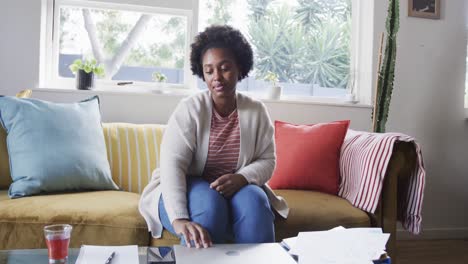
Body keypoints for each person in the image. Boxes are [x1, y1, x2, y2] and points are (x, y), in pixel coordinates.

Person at [139, 25, 288, 249]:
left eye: (225, 68)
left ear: (240, 67)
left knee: (256, 204)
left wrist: (242, 177)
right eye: (209, 71)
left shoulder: (256, 111)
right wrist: (179, 218)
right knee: (208, 208)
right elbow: (172, 166)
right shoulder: (189, 109)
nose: (216, 77)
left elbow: (268, 160)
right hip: (188, 186)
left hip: (237, 186)